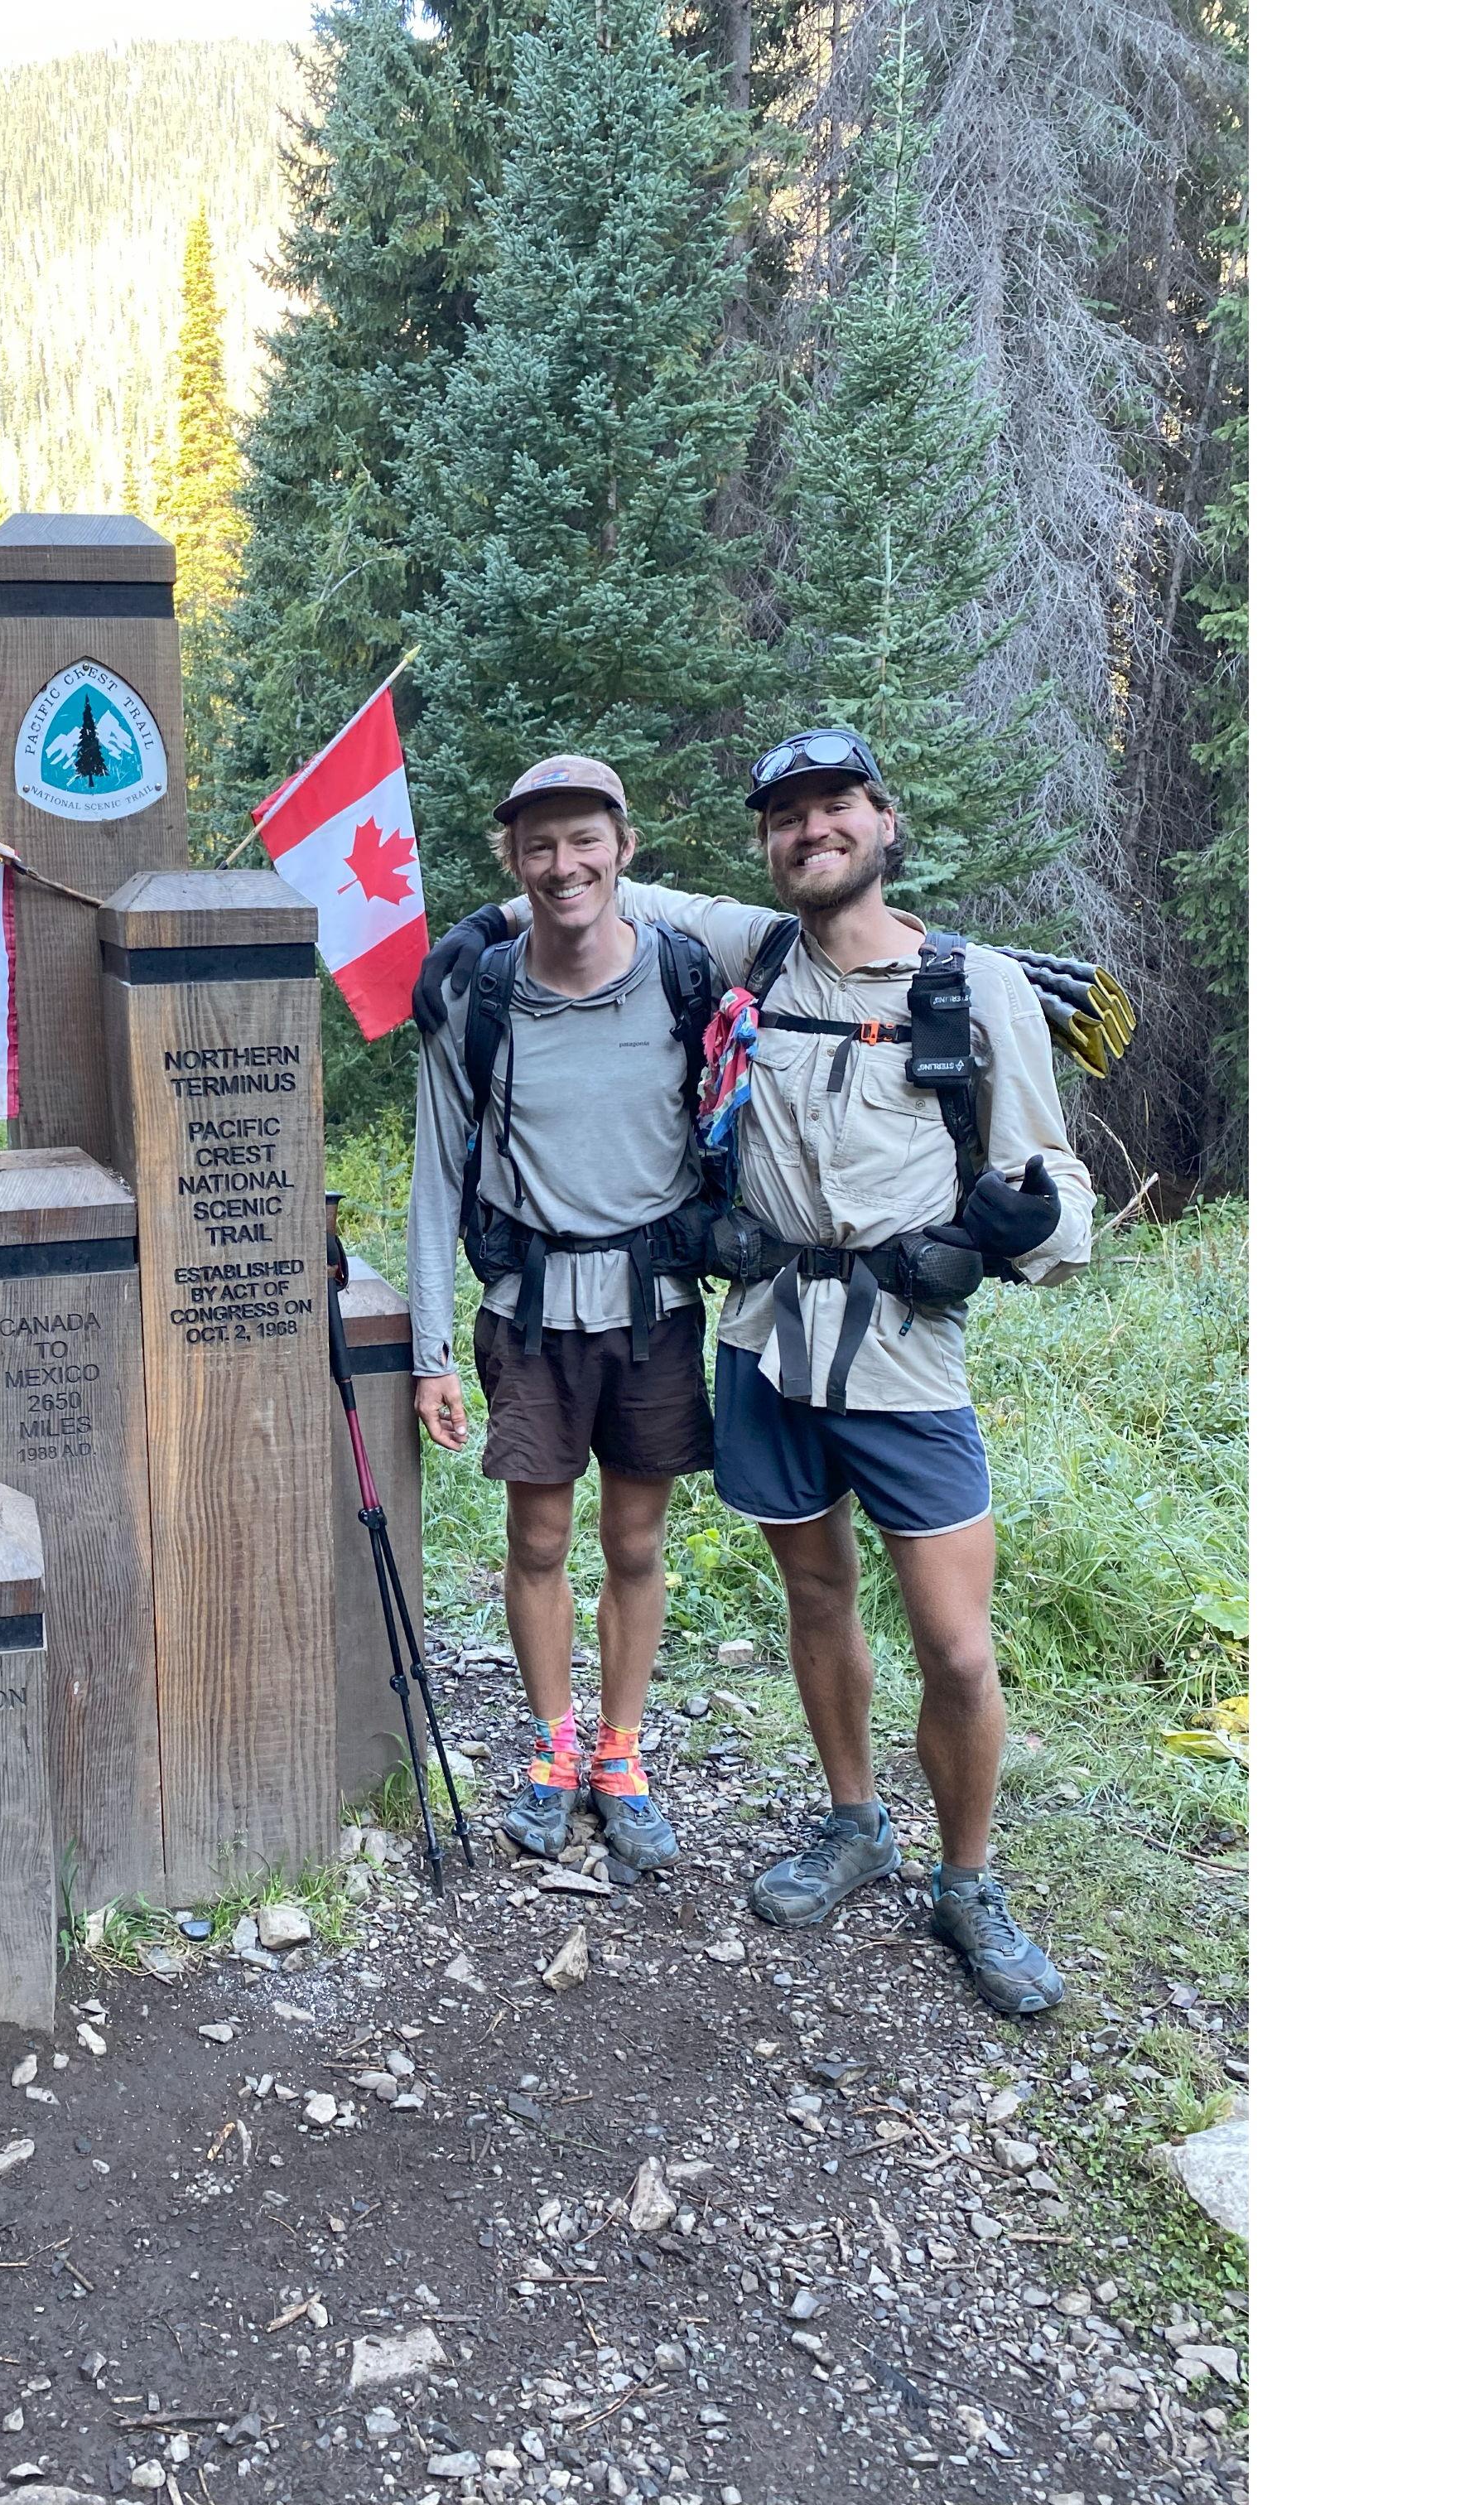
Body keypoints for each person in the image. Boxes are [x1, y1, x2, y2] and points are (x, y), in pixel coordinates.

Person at [417, 728, 1092, 2015]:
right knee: (818, 1601)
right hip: (765, 1346)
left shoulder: (973, 984)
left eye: (835, 809)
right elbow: (593, 879)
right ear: (767, 843)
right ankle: (852, 1824)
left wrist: (1030, 1228)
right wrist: (478, 920)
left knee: (955, 1646)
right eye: (786, 818)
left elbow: (1062, 1195)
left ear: (884, 823)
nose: (810, 833)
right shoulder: (753, 949)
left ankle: (970, 1884)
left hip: (905, 1359)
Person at [406, 756, 719, 1875]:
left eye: (583, 839)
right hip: (529, 1315)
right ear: (514, 862)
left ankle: (620, 1755)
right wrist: (429, 1352)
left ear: (624, 848)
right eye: (537, 846)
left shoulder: (684, 977)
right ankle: (553, 1748)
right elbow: (437, 1176)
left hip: (657, 1311)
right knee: (537, 1539)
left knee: (635, 1541)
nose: (561, 865)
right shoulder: (475, 998)